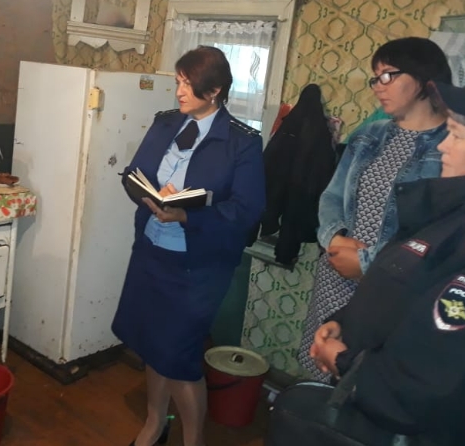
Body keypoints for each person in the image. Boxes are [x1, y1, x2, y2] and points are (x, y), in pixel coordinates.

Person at [266, 73, 465, 446]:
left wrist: (344, 362)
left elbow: (424, 383)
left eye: (457, 136)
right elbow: (403, 290)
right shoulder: (452, 208)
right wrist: (343, 321)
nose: (444, 146)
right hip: (365, 387)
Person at [111, 46, 265, 446]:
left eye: (187, 84)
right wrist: (147, 194)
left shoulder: (242, 142)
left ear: (214, 91)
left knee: (179, 355)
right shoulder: (166, 123)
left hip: (199, 267)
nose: (179, 91)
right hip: (151, 252)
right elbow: (134, 173)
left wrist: (186, 215)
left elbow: (247, 210)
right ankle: (155, 423)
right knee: (152, 343)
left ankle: (193, 440)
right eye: (178, 81)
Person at [297, 37, 452, 381]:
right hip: (338, 273)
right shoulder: (369, 135)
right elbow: (332, 196)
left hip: (394, 286)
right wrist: (335, 238)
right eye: (375, 78)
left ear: (424, 79)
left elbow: (435, 233)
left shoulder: (452, 146)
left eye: (388, 76)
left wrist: (368, 263)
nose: (378, 86)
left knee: (366, 380)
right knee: (322, 371)